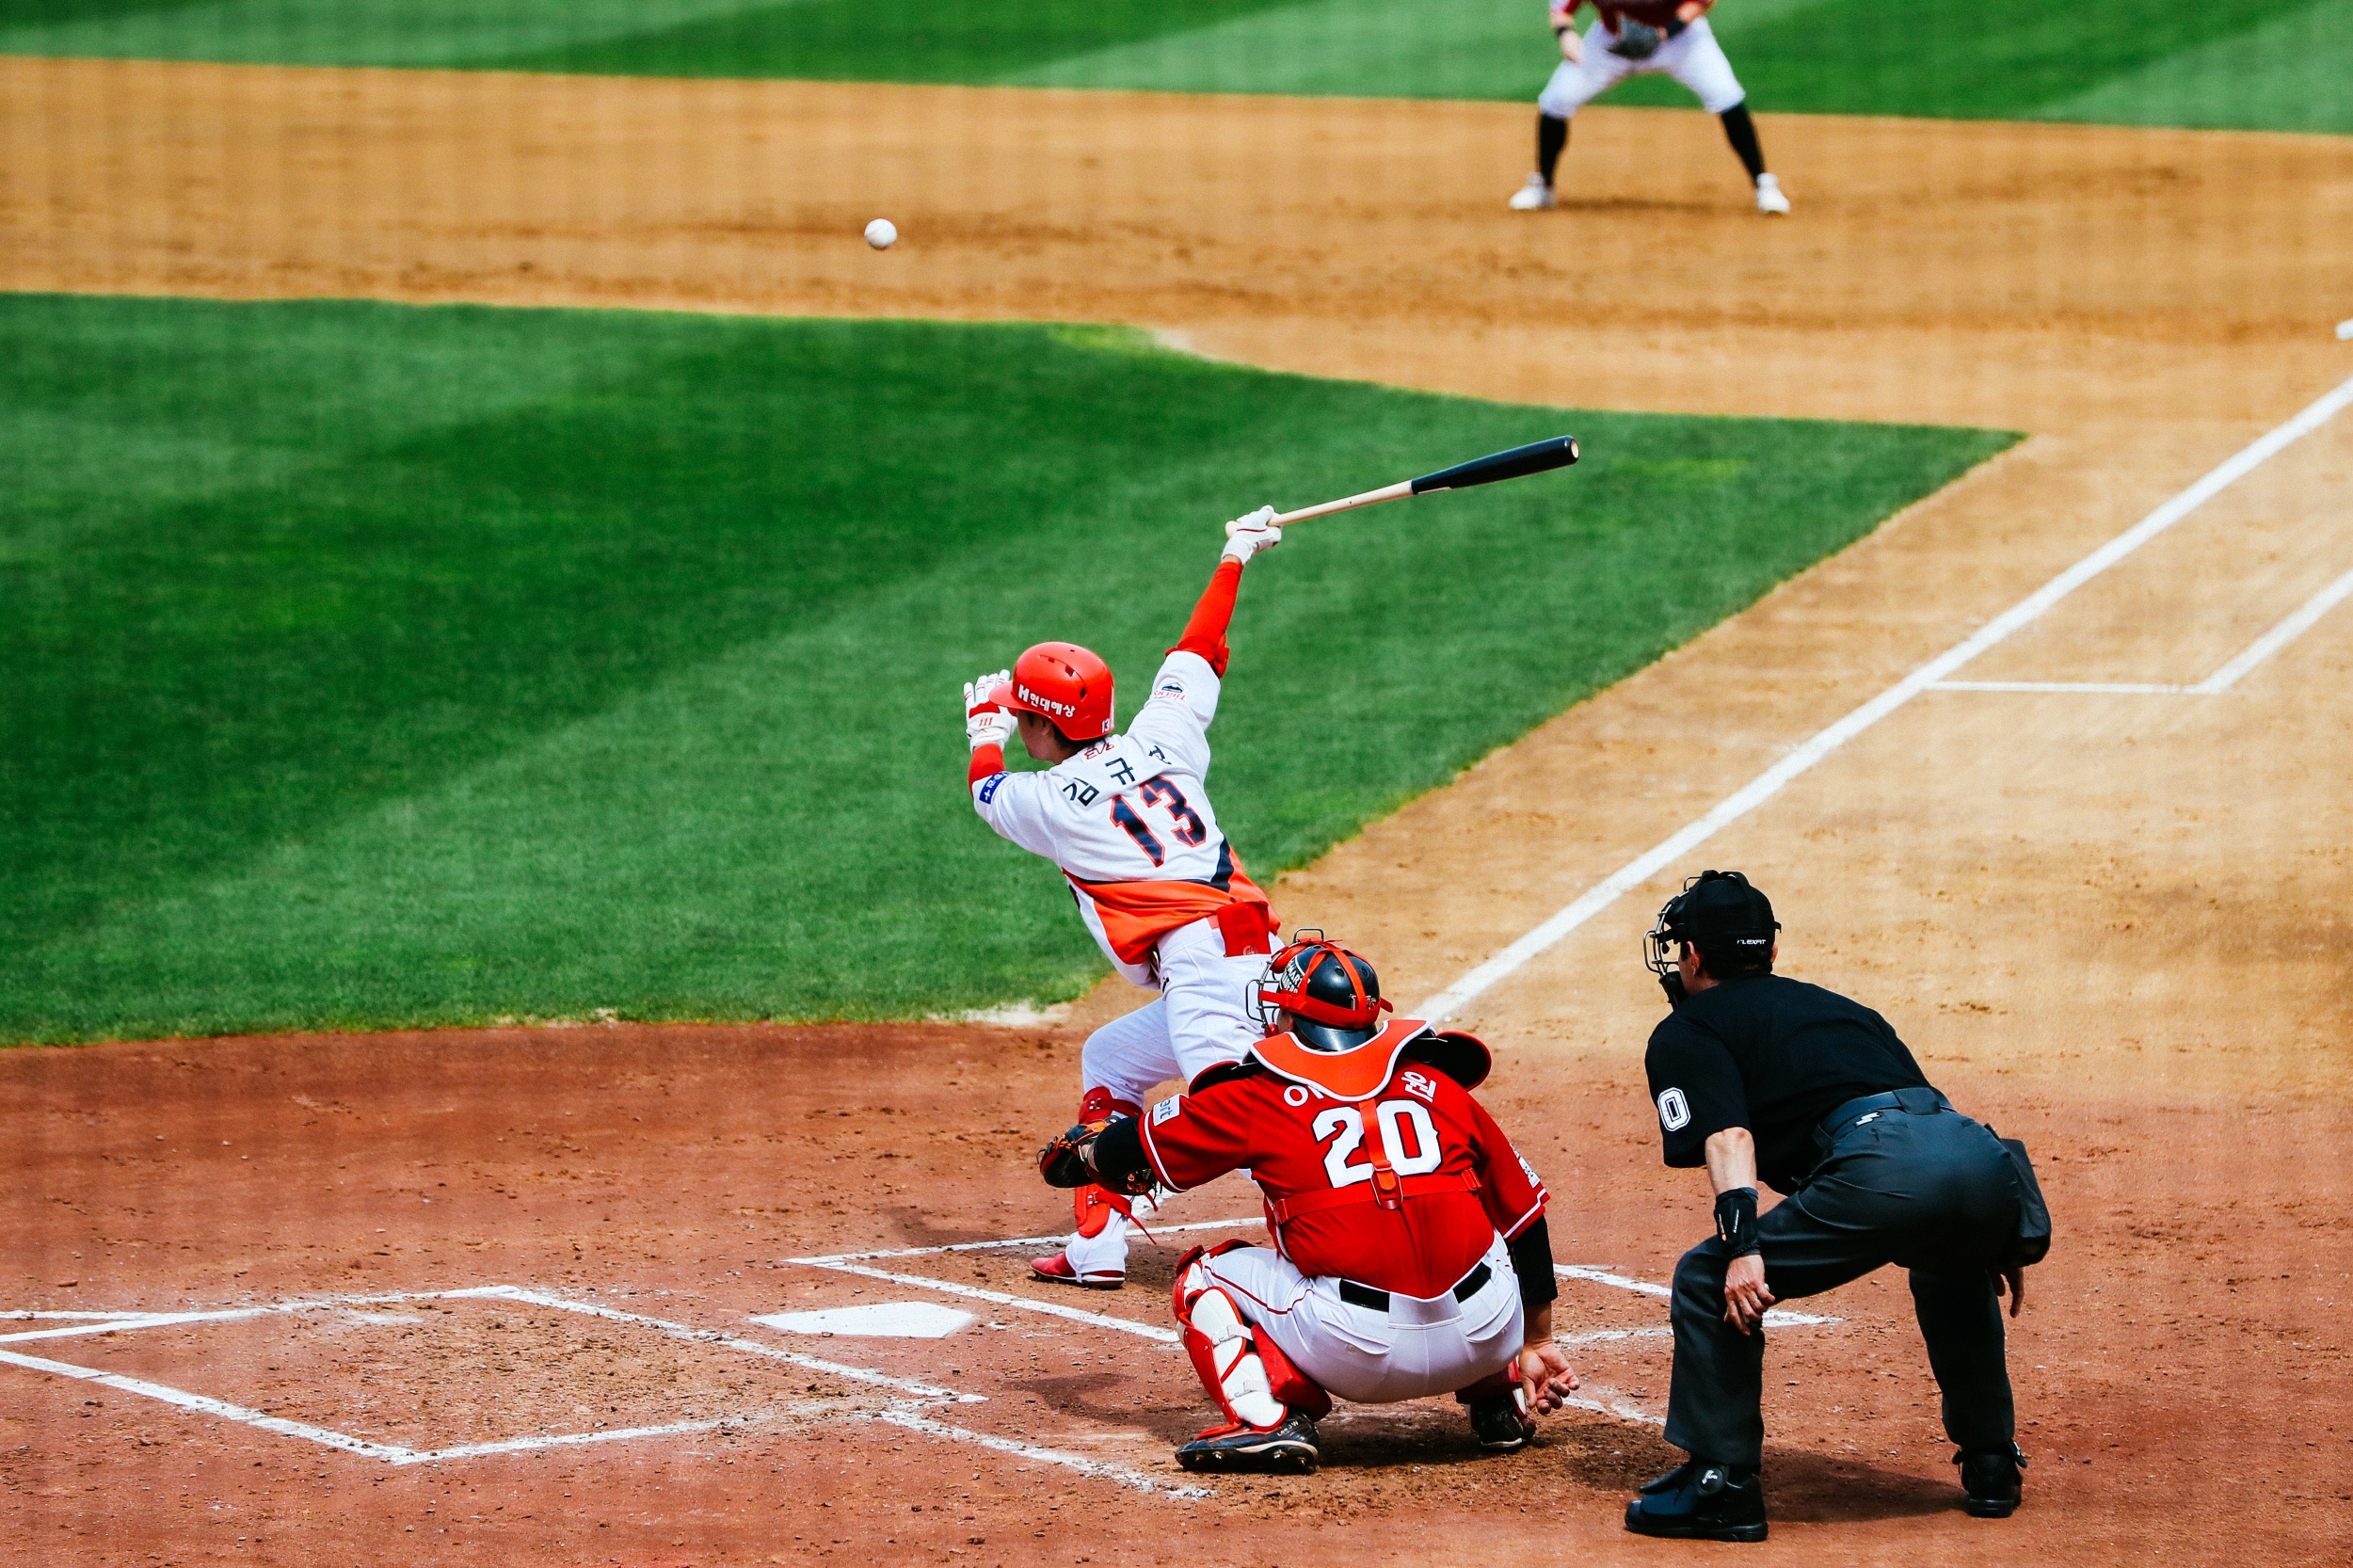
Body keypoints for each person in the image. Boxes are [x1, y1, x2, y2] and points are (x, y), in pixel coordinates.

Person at [1036, 935, 1580, 1472]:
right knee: (1488, 1219)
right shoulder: (1437, 1083)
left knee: (1202, 1276)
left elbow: (1126, 1149)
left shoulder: (1254, 1095)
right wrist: (1536, 1340)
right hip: (1489, 1335)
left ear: (1289, 1018)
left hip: (1358, 1357)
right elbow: (1527, 1218)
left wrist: (1085, 1153)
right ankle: (1499, 1395)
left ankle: (1267, 1419)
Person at [1625, 871, 2047, 1542]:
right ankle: (1992, 1463)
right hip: (1981, 1161)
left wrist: (1743, 1249)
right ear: (1770, 951)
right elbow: (1931, 1123)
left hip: (1882, 1167)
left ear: (1695, 956)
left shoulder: (1688, 1028)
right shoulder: (1844, 1009)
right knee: (1951, 1265)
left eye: (1681, 951)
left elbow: (1730, 1139)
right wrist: (1993, 1232)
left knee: (1709, 1280)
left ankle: (1722, 1485)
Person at [962, 505, 1286, 1290]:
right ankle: (1098, 1245)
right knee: (1109, 1059)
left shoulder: (1049, 802)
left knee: (1251, 1127)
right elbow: (1196, 648)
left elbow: (986, 790)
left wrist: (981, 731)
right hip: (1265, 964)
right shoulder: (1163, 735)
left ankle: (1346, 1246)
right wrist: (1235, 555)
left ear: (1043, 726)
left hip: (1205, 975)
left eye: (1024, 715)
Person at [1507, 1, 1788, 216]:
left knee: (1726, 95)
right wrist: (1566, 34)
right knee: (1556, 100)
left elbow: (1702, 2)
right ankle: (1543, 186)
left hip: (1679, 41)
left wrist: (1663, 34)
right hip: (1611, 42)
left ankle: (1763, 184)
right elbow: (1560, 10)